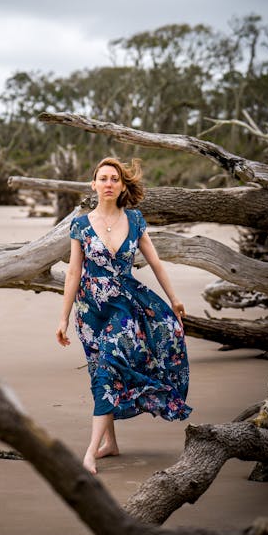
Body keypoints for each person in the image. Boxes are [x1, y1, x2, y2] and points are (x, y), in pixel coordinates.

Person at [56, 157, 192, 475]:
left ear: (121, 185)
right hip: (90, 312)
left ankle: (89, 452)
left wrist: (174, 299)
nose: (108, 183)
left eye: (114, 179)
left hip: (125, 309)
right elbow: (74, 272)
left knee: (108, 368)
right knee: (100, 374)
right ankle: (110, 444)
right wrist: (63, 318)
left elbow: (156, 262)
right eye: (102, 178)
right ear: (93, 185)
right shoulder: (80, 224)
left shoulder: (135, 219)